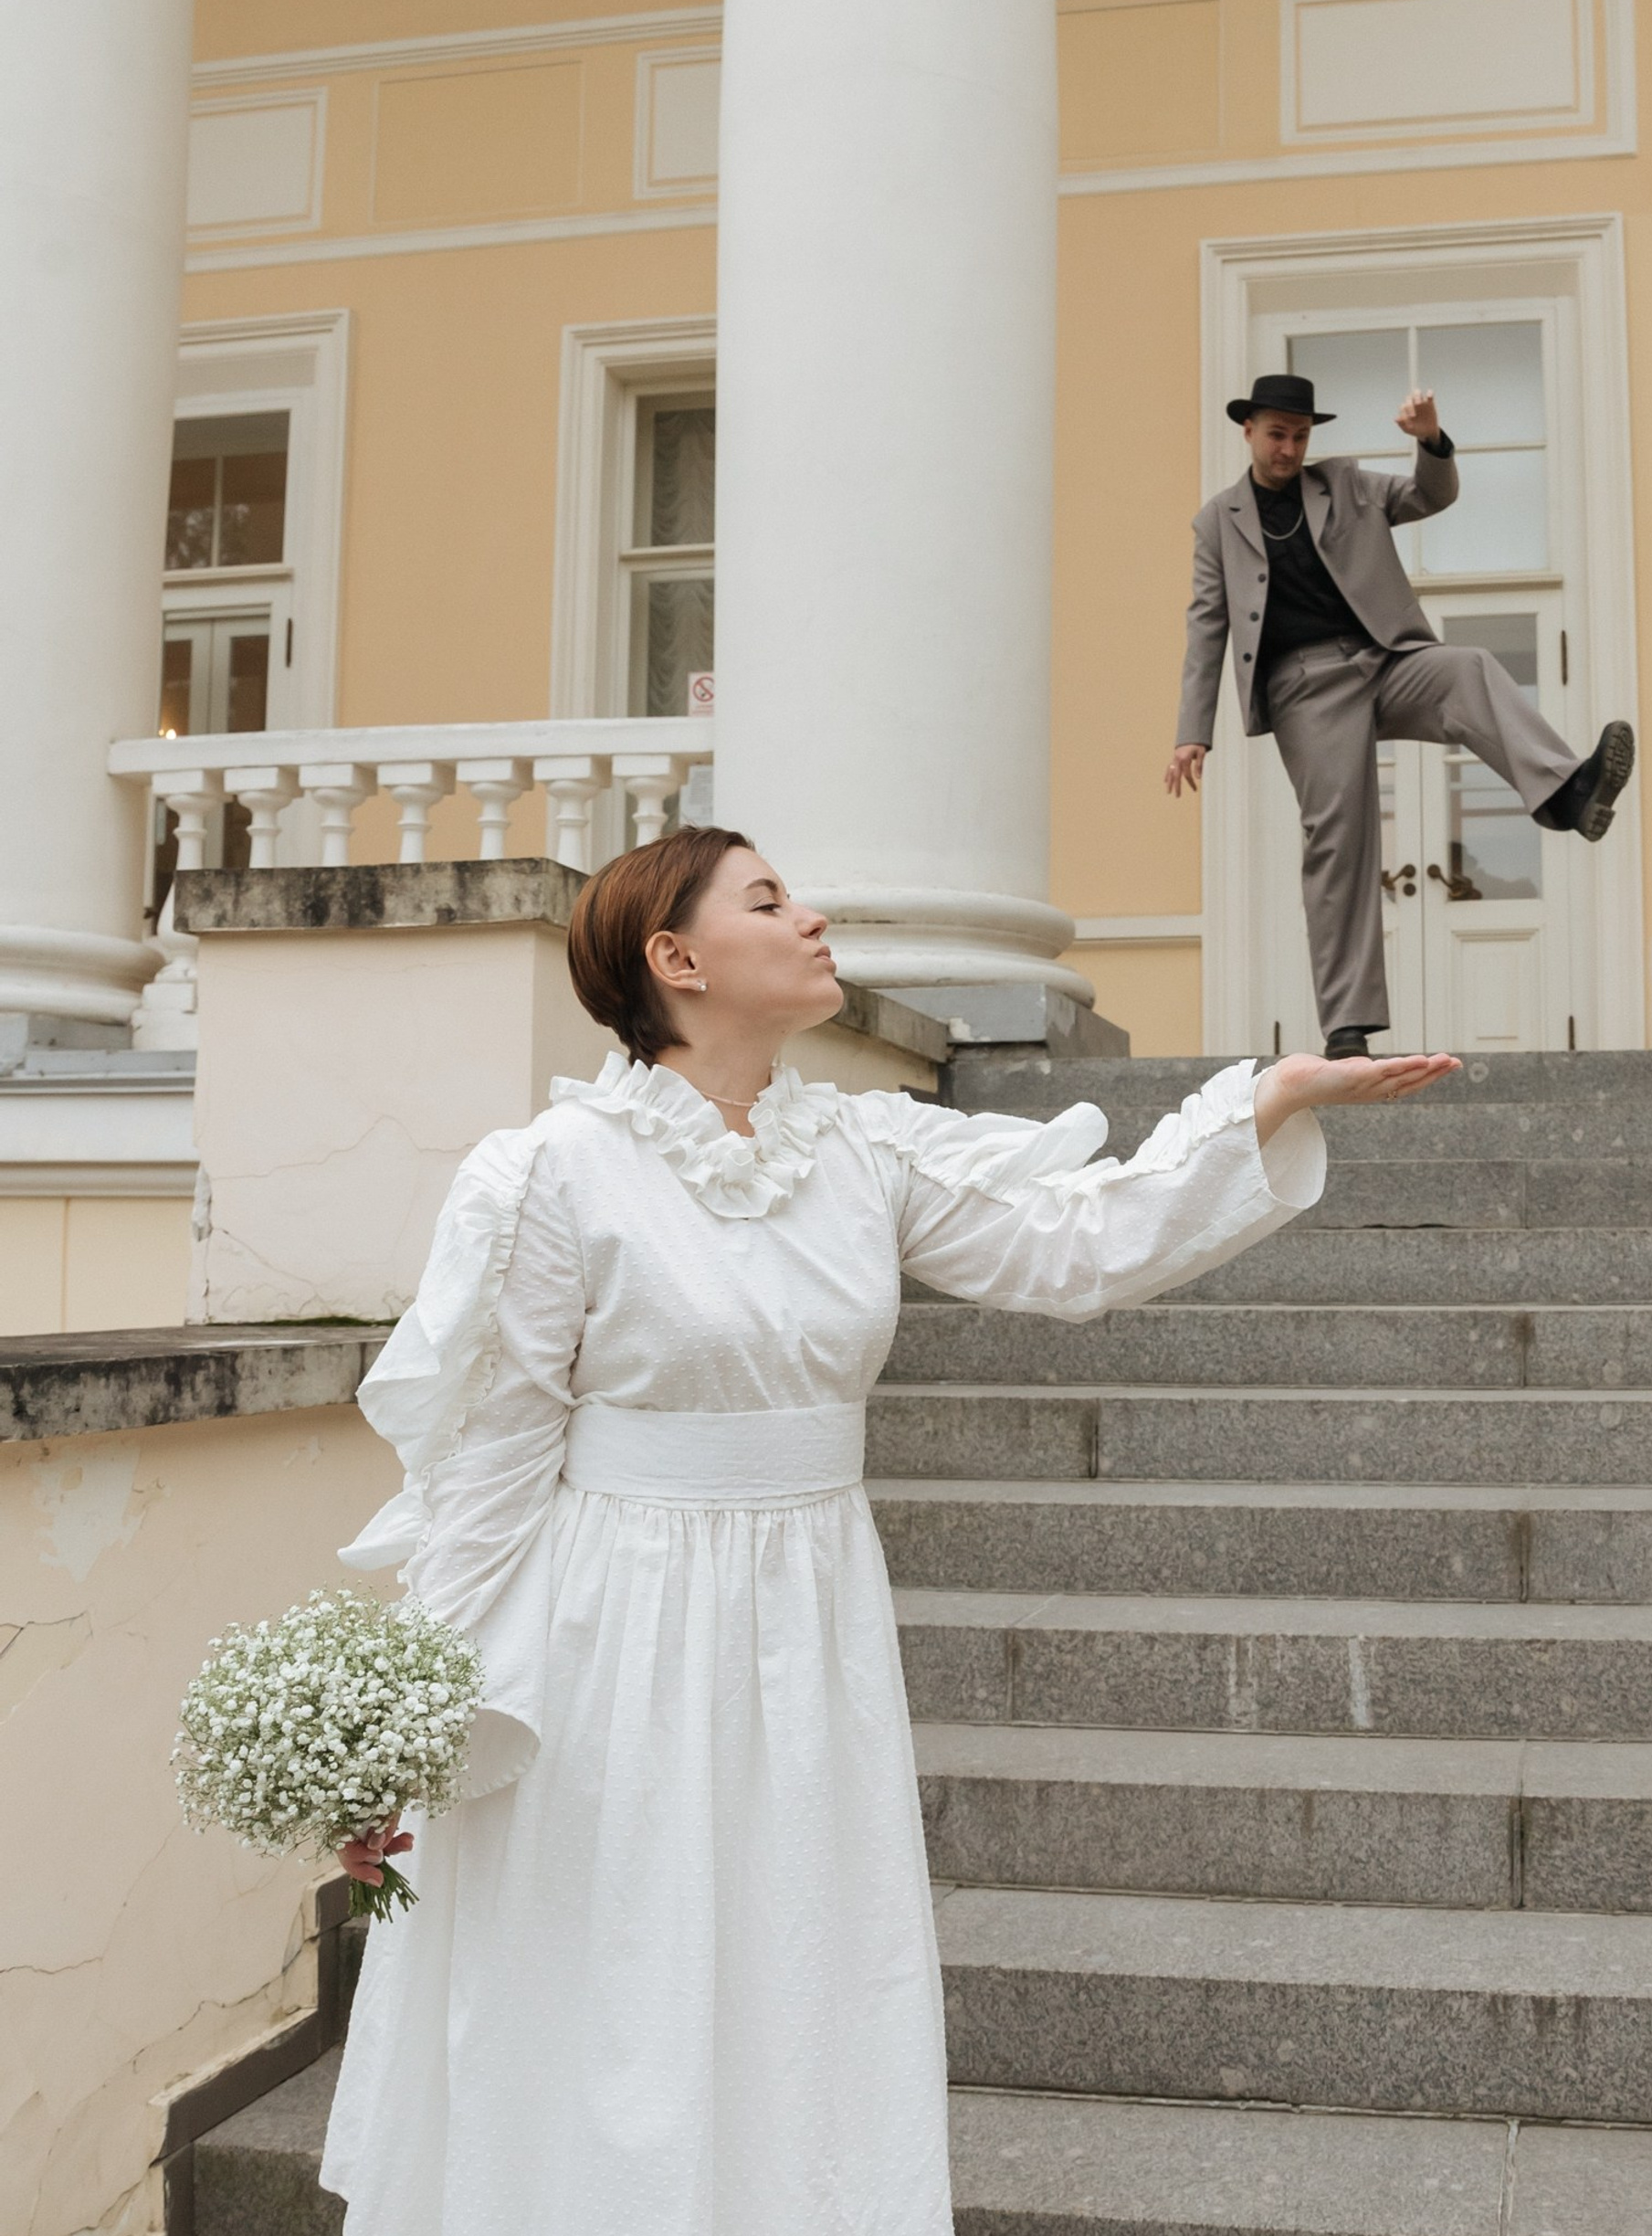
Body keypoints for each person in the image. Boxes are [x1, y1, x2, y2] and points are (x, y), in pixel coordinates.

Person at [318, 823, 1458, 2236]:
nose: (813, 919)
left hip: (809, 1633)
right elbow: (487, 1475)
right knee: (622, 1996)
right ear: (675, 959)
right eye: (768, 900)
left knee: (802, 1984)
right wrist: (409, 1738)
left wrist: (1263, 1103)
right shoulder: (552, 1173)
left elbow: (1076, 1242)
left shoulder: (859, 1147)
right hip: (616, 1643)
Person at [1165, 372, 1636, 1059]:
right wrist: (1192, 733)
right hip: (1305, 687)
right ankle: (1347, 1025)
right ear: (1249, 431)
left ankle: (1566, 793)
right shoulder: (1217, 523)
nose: (1289, 449)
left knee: (1467, 668)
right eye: (1277, 435)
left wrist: (1432, 442)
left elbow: (1428, 495)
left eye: (1299, 436)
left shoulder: (1347, 484)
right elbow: (1207, 628)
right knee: (1340, 839)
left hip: (1385, 659)